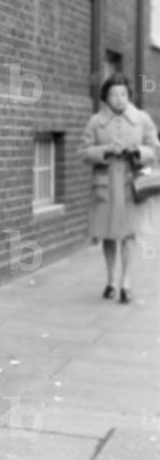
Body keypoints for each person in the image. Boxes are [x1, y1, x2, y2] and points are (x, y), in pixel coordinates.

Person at [79, 73, 159, 303]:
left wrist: (137, 151)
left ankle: (126, 282)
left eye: (123, 94)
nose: (118, 99)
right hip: (105, 186)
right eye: (113, 94)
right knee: (108, 235)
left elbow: (155, 149)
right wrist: (106, 150)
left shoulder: (142, 119)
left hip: (131, 185)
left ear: (129, 95)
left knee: (129, 234)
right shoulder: (95, 122)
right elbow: (83, 152)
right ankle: (111, 280)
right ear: (106, 97)